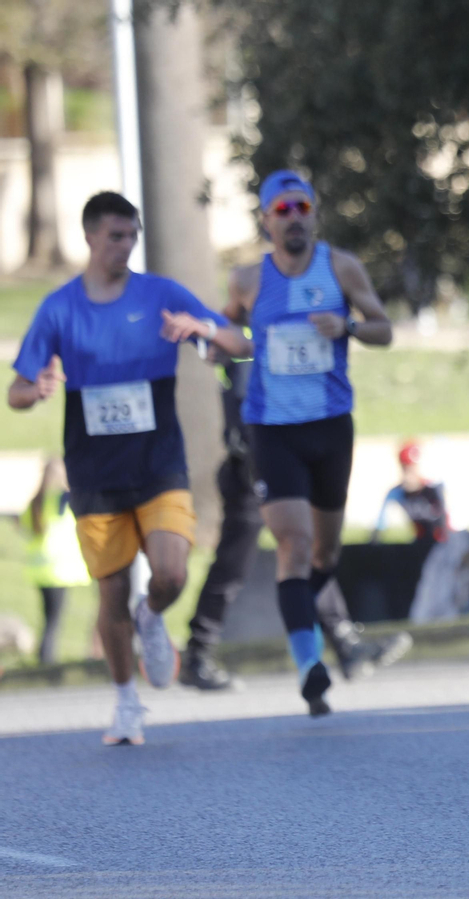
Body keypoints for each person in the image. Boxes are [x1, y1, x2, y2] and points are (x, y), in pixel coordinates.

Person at [7, 191, 250, 745]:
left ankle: (153, 614)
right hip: (94, 473)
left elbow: (241, 346)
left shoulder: (161, 295)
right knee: (109, 594)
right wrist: (36, 388)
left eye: (132, 235)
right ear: (90, 236)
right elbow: (15, 392)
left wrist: (206, 330)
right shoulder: (60, 309)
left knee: (170, 573)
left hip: (159, 463)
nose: (126, 245)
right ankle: (124, 703)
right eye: (116, 235)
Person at [220, 170, 394, 716]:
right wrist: (220, 347)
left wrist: (347, 329)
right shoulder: (248, 280)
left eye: (303, 207)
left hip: (330, 425)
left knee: (325, 551)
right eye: (283, 210)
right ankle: (308, 665)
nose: (295, 218)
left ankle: (313, 641)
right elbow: (233, 339)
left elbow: (384, 329)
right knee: (294, 546)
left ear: (315, 214)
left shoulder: (341, 267)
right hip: (272, 429)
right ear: (267, 220)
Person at [181, 356, 411, 690]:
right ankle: (198, 655)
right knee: (238, 566)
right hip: (256, 465)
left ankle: (345, 642)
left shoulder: (267, 323)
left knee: (303, 549)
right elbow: (249, 400)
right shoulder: (255, 327)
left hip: (268, 458)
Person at [20, 458, 90, 665]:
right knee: (54, 621)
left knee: (48, 619)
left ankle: (44, 658)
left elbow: (25, 525)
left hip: (39, 569)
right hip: (60, 569)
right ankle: (47, 661)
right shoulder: (63, 499)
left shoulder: (36, 501)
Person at [374, 440, 449, 545]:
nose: (408, 473)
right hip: (420, 544)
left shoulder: (433, 488)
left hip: (445, 544)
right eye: (405, 468)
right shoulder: (397, 492)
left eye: (411, 468)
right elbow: (379, 526)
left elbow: (447, 523)